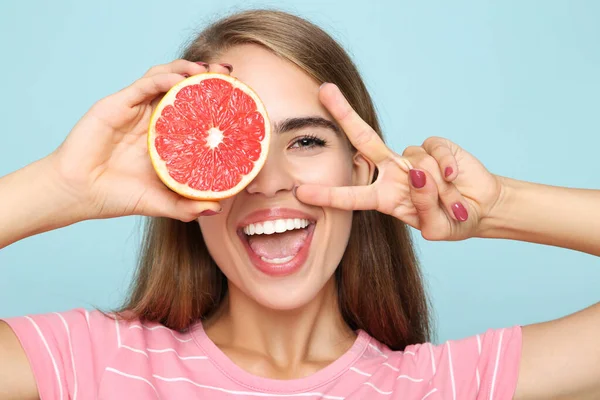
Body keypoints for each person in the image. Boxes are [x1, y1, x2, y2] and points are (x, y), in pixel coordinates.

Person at [0, 9, 598, 400]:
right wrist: (62, 187)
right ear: (185, 177)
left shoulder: (439, 386)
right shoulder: (91, 366)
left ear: (360, 169)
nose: (268, 181)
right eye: (239, 149)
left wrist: (496, 208)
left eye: (306, 140)